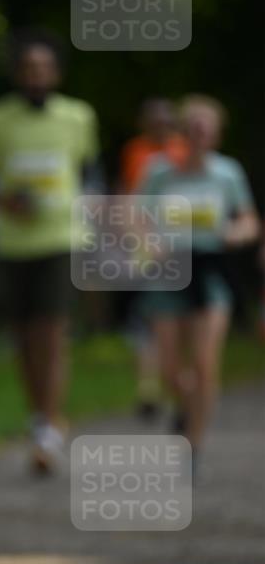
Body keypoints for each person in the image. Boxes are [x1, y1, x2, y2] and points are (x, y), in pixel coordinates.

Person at [0, 28, 100, 470]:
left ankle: (49, 424)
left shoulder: (78, 117)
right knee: (24, 335)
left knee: (52, 333)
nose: (37, 75)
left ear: (56, 73)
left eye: (44, 68)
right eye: (29, 68)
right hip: (14, 242)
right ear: (19, 74)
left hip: (61, 239)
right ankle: (39, 416)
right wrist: (5, 201)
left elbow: (89, 171)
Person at [140, 94, 259, 454]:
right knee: (171, 370)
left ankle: (195, 444)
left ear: (216, 136)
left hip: (211, 270)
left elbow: (249, 219)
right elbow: (135, 216)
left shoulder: (227, 173)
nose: (198, 137)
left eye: (205, 131)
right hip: (170, 270)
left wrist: (238, 232)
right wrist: (149, 243)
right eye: (191, 130)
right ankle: (185, 404)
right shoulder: (159, 172)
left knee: (206, 363)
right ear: (181, 132)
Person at [118, 98, 189, 419]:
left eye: (165, 121)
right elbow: (126, 197)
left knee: (179, 320)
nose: (159, 127)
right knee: (147, 319)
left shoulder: (184, 151)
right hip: (146, 248)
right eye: (153, 121)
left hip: (183, 246)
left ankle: (179, 388)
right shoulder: (135, 152)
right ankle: (149, 388)